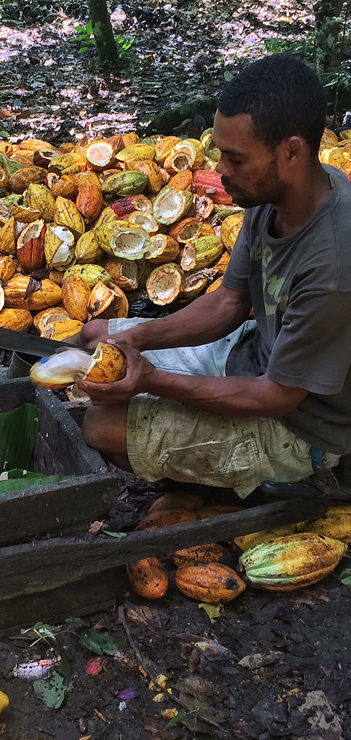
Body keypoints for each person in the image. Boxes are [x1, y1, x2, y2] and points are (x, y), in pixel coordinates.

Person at [77, 55, 351, 499]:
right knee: (93, 335)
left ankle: (256, 489)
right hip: (248, 354)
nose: (221, 171)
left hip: (298, 427)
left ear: (292, 152)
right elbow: (228, 304)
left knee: (100, 425)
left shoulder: (335, 267)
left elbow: (276, 397)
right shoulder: (273, 194)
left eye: (236, 159)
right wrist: (137, 340)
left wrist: (150, 379)